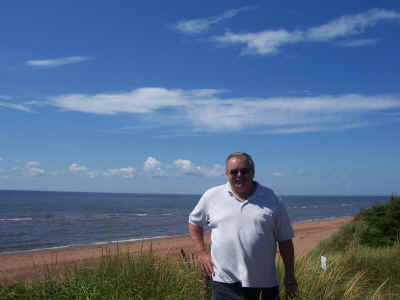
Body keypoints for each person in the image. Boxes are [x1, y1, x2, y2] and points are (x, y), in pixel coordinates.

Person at [189, 152, 297, 300]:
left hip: (264, 284)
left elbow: (285, 241)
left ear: (253, 172)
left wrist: (289, 275)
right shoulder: (212, 196)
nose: (239, 175)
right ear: (227, 174)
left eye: (244, 171)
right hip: (224, 284)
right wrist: (201, 252)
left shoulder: (272, 198)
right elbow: (194, 223)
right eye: (234, 172)